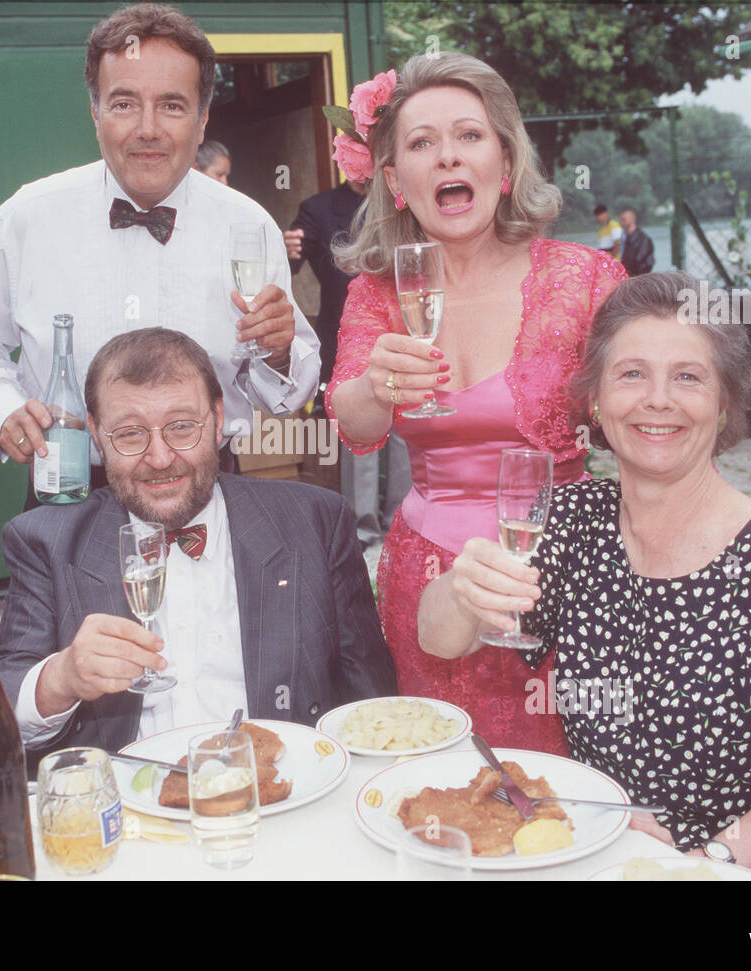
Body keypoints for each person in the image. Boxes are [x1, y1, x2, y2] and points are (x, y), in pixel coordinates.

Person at [418, 273, 751, 880]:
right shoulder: (574, 520)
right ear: (596, 401)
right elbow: (440, 639)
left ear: (726, 401)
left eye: (688, 376)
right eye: (631, 374)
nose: (659, 399)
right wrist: (462, 587)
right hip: (602, 855)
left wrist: (695, 864)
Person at [326, 53, 626, 752]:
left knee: (564, 778)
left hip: (555, 572)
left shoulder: (584, 278)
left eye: (469, 135)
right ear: (396, 180)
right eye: (422, 143)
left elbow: (637, 415)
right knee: (442, 770)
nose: (447, 156)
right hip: (426, 575)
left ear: (506, 160)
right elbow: (352, 423)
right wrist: (376, 384)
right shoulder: (378, 292)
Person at [0, 3, 319, 484]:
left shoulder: (249, 226)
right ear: (95, 113)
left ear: (202, 120)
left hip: (210, 489)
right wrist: (2, 405)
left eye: (172, 105)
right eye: (124, 104)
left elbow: (285, 396)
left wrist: (279, 352)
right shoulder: (29, 216)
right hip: (69, 486)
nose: (148, 129)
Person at [0, 328, 395, 758]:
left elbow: (373, 706)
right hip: (128, 808)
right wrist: (60, 678)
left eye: (182, 427)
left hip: (282, 791)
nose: (161, 457)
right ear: (96, 434)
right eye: (130, 434)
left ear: (218, 418)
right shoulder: (46, 541)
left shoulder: (314, 522)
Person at [284, 180, 411, 548]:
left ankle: (400, 521)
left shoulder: (405, 197)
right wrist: (288, 250)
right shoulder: (318, 205)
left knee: (406, 422)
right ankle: (363, 527)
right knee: (360, 428)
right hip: (346, 331)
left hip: (407, 321)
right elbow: (292, 263)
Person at [619, 207, 654, 277]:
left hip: (638, 277)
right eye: (621, 219)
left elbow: (645, 262)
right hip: (627, 275)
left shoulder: (643, 238)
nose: (621, 222)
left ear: (632, 219)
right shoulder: (625, 237)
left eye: (624, 219)